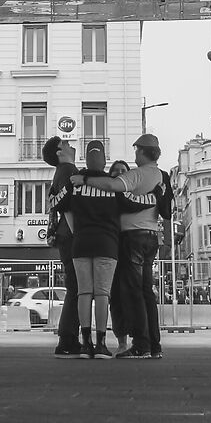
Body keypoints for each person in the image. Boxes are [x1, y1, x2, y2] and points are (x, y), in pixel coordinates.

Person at [59, 140, 130, 358]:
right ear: (104, 160)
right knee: (102, 293)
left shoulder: (75, 183)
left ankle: (85, 343)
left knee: (83, 292)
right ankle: (101, 344)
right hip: (107, 245)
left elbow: (60, 205)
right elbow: (133, 204)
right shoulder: (112, 185)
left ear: (86, 158)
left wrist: (75, 230)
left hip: (80, 243)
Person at [112, 134, 169, 358]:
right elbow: (166, 211)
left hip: (131, 236)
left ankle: (141, 344)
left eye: (136, 150)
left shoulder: (134, 175)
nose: (135, 154)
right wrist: (155, 197)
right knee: (147, 292)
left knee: (133, 292)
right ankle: (155, 345)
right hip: (151, 236)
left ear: (143, 151)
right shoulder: (163, 176)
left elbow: (121, 199)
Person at [42, 137, 84, 356]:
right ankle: (67, 339)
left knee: (74, 288)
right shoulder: (67, 170)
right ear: (59, 152)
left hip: (65, 235)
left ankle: (68, 338)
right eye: (65, 143)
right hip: (72, 235)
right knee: (76, 288)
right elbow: (67, 206)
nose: (69, 143)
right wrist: (80, 234)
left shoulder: (62, 171)